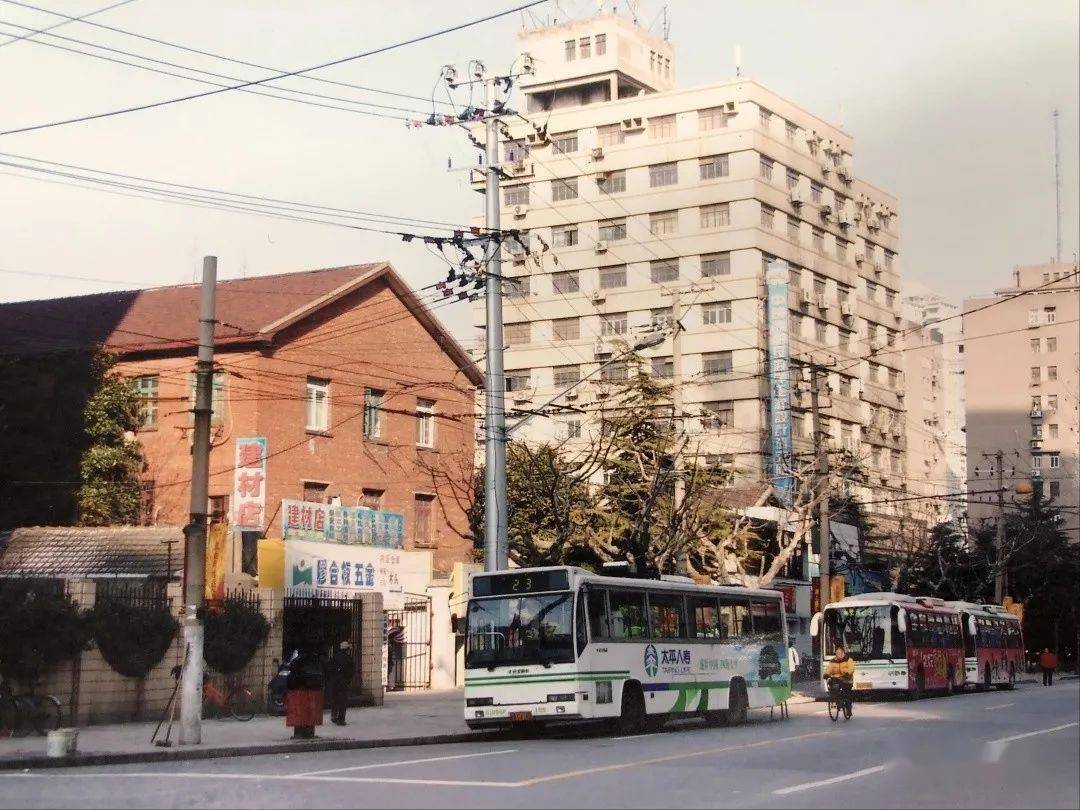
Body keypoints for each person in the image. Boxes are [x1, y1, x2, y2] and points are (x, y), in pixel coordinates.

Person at [327, 641, 355, 725]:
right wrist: (349, 679)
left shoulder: (335, 657)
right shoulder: (348, 658)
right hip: (344, 682)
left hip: (335, 681)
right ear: (347, 649)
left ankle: (333, 715)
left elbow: (329, 668)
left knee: (335, 699)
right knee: (342, 701)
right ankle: (341, 719)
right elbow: (352, 670)